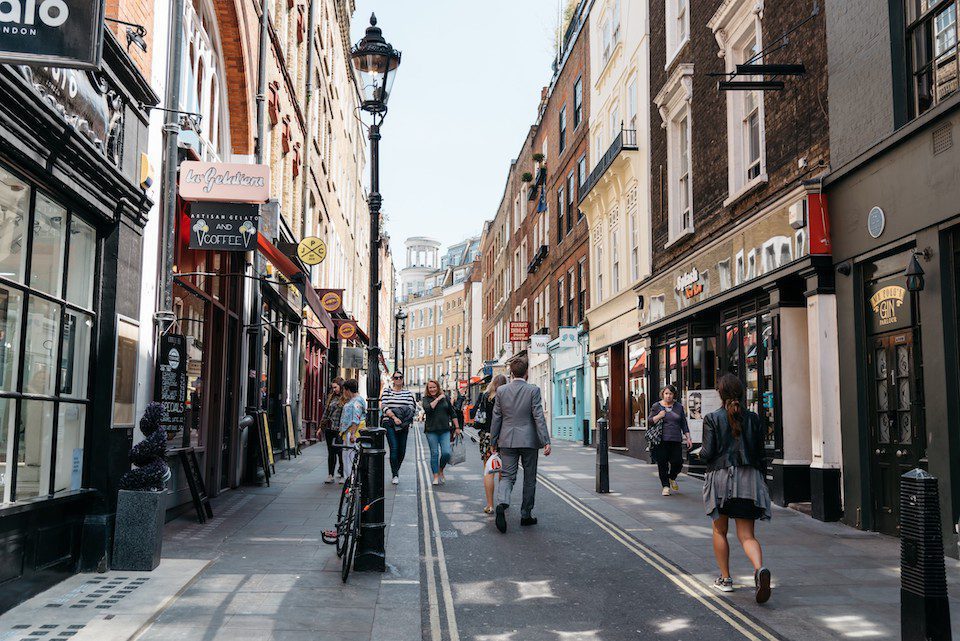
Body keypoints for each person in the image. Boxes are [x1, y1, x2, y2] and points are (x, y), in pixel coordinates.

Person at [701, 373, 772, 603]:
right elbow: (761, 455)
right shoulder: (753, 419)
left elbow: (708, 453)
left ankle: (725, 579)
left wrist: (698, 454)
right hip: (748, 478)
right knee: (747, 534)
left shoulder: (712, 418)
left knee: (720, 530)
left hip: (721, 478)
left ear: (720, 394)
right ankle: (759, 570)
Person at [490, 357, 550, 533]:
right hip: (529, 441)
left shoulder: (501, 391)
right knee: (529, 477)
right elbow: (538, 416)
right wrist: (546, 441)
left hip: (507, 439)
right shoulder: (533, 390)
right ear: (527, 372)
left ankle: (502, 503)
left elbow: (497, 418)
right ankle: (525, 515)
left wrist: (493, 441)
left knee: (507, 476)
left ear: (511, 373)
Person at [648, 384, 693, 496]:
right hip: (661, 440)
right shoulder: (656, 406)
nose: (668, 396)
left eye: (670, 394)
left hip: (676, 439)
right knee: (662, 464)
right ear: (663, 394)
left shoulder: (678, 407)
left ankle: (671, 477)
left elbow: (683, 423)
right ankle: (666, 486)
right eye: (666, 393)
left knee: (678, 463)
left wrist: (688, 438)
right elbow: (650, 421)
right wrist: (658, 416)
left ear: (674, 395)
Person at [471, 374, 507, 514]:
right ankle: (502, 502)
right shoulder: (506, 396)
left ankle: (490, 505)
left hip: (487, 436)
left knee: (489, 469)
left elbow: (475, 413)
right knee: (504, 470)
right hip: (505, 437)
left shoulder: (485, 397)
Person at [422, 380, 461, 486]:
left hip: (445, 430)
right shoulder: (426, 399)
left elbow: (452, 413)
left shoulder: (446, 399)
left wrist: (457, 427)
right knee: (434, 454)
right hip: (431, 431)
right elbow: (428, 409)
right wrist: (439, 398)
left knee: (446, 453)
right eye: (430, 388)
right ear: (428, 389)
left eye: (434, 387)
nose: (432, 389)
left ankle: (441, 469)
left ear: (438, 387)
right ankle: (435, 476)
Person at [381, 371, 417, 485]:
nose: (398, 379)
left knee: (402, 450)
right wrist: (394, 416)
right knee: (394, 448)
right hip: (389, 423)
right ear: (393, 379)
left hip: (403, 424)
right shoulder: (387, 391)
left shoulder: (408, 393)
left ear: (403, 379)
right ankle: (395, 474)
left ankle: (396, 468)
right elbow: (384, 406)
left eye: (400, 377)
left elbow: (411, 408)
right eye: (396, 377)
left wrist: (401, 419)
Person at [339, 379, 366, 480]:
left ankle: (350, 481)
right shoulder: (354, 400)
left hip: (352, 433)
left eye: (344, 390)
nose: (343, 393)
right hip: (349, 433)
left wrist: (353, 434)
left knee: (348, 458)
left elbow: (356, 418)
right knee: (347, 457)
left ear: (347, 390)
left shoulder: (356, 401)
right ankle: (350, 481)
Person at [320, 377, 345, 483]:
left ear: (341, 386)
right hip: (330, 429)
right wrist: (321, 427)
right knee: (331, 452)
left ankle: (343, 474)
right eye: (333, 387)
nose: (334, 389)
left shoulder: (345, 398)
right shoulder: (331, 397)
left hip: (340, 429)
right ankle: (330, 475)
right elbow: (326, 413)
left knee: (341, 452)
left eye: (335, 387)